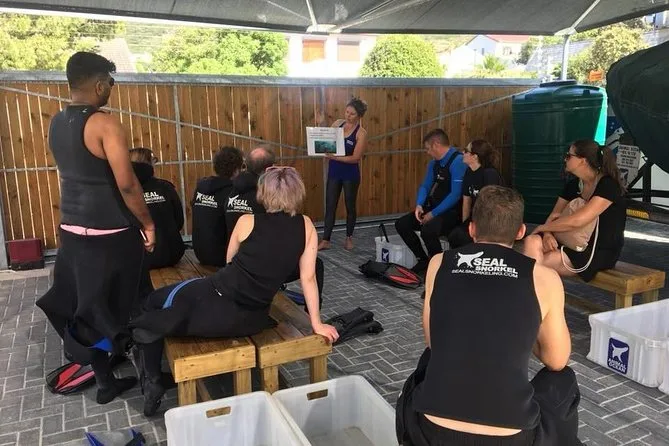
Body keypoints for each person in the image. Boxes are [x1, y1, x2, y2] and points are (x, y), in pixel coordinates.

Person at [131, 167, 339, 416]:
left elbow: (229, 261)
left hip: (216, 299)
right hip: (252, 319)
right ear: (297, 194)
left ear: (263, 194)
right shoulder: (305, 225)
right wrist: (317, 323)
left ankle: (153, 379)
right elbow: (308, 278)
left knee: (153, 304)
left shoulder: (247, 221)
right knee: (164, 309)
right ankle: (154, 374)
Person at [396, 185, 581, 446]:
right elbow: (557, 360)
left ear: (472, 229)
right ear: (520, 232)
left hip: (429, 430)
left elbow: (433, 341)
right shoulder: (544, 278)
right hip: (512, 437)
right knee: (563, 379)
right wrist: (525, 325)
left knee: (428, 361)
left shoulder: (438, 263)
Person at [36, 52, 155, 405]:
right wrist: (148, 223)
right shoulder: (105, 124)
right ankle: (152, 381)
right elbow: (128, 184)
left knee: (88, 310)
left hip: (72, 233)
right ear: (100, 84)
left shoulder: (57, 122)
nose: (112, 88)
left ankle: (105, 383)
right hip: (112, 237)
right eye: (112, 82)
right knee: (139, 303)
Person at [226, 146, 325, 301]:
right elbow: (276, 236)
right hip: (259, 268)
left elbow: (230, 261)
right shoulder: (263, 197)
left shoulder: (232, 191)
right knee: (315, 265)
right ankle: (309, 310)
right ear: (269, 169)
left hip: (240, 266)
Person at [523, 139, 626, 281]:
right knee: (532, 240)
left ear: (583, 161)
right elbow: (554, 215)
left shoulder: (608, 185)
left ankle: (531, 289)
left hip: (595, 249)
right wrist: (547, 233)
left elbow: (578, 220)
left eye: (568, 156)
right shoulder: (573, 185)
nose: (565, 159)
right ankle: (533, 288)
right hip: (567, 240)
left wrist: (542, 227)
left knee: (536, 263)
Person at [395, 129, 467, 273]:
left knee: (428, 230)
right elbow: (425, 186)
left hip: (452, 211)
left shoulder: (458, 161)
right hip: (435, 207)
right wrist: (419, 205)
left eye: (428, 148)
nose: (427, 152)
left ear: (436, 145)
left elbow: (455, 194)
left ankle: (439, 267)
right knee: (402, 224)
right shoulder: (434, 164)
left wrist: (433, 214)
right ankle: (423, 260)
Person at [318, 97, 368, 251]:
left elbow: (355, 158)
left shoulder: (361, 133)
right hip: (334, 172)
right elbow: (325, 140)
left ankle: (349, 237)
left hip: (350, 174)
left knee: (350, 206)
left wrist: (335, 157)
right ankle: (326, 239)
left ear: (359, 116)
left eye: (352, 114)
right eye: (347, 112)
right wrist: (320, 124)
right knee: (330, 205)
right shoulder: (337, 124)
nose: (348, 116)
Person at [130, 148, 185, 269]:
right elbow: (179, 221)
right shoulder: (166, 187)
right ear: (150, 164)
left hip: (140, 258)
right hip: (172, 254)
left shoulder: (124, 191)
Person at [191, 146, 244, 266]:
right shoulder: (233, 192)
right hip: (223, 256)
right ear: (237, 170)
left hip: (200, 254)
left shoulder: (200, 188)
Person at [447, 139, 503, 249]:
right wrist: (465, 224)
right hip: (476, 218)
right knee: (455, 236)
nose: (462, 153)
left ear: (475, 156)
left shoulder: (489, 174)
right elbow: (466, 200)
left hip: (491, 220)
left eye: (466, 150)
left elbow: (493, 205)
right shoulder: (469, 172)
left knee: (463, 238)